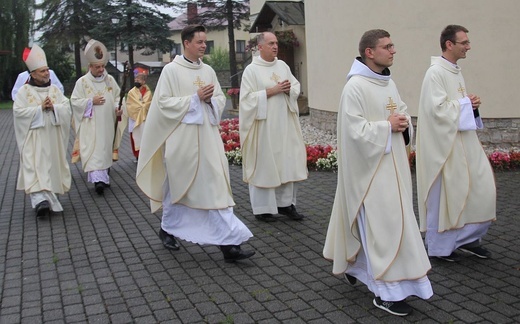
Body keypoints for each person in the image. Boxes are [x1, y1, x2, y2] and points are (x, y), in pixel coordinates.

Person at [323, 29, 433, 316]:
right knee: (381, 233)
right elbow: (353, 133)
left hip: (393, 170)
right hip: (369, 176)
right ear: (369, 52)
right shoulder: (355, 87)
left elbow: (402, 113)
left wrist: (403, 122)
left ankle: (355, 267)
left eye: (393, 45)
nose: (393, 51)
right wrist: (387, 126)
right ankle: (385, 293)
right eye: (387, 46)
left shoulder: (387, 83)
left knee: (386, 229)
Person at [135, 25, 255, 263]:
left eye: (204, 41)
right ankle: (168, 228)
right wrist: (194, 99)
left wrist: (210, 101)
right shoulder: (171, 71)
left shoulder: (208, 70)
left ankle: (229, 245)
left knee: (214, 189)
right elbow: (162, 105)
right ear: (186, 43)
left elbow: (220, 99)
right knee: (178, 189)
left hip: (208, 141)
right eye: (199, 42)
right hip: (182, 143)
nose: (203, 46)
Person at [416, 25, 496, 262]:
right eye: (464, 43)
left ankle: (469, 239)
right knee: (449, 197)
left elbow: (456, 104)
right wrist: (464, 105)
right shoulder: (435, 73)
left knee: (481, 191)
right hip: (445, 147)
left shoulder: (454, 71)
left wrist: (472, 104)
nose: (468, 47)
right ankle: (440, 246)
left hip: (464, 142)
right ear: (449, 44)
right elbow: (437, 111)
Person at [239, 31, 308, 223]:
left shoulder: (283, 65)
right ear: (260, 47)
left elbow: (295, 86)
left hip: (284, 124)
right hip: (264, 127)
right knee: (265, 166)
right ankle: (263, 209)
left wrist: (289, 90)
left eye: (276, 43)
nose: (275, 46)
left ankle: (286, 205)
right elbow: (246, 100)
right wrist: (271, 91)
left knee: (287, 162)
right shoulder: (251, 71)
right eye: (270, 43)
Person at [13, 44, 72, 217]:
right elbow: (18, 112)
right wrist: (39, 109)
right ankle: (40, 201)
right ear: (32, 74)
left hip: (52, 137)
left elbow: (66, 107)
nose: (46, 73)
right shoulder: (24, 92)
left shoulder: (53, 90)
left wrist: (54, 108)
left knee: (49, 166)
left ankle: (47, 197)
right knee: (35, 166)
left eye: (47, 70)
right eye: (42, 71)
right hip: (34, 138)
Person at [71, 39, 124, 195]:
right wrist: (90, 101)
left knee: (105, 149)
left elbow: (117, 97)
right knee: (94, 150)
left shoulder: (110, 80)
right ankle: (98, 181)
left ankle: (103, 178)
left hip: (107, 123)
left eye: (102, 66)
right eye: (97, 67)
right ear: (90, 67)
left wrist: (118, 108)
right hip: (91, 125)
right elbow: (74, 101)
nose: (101, 69)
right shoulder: (82, 82)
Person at [125, 73, 151, 162]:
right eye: (136, 80)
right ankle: (137, 156)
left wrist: (143, 107)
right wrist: (140, 107)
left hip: (144, 119)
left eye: (138, 80)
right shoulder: (131, 92)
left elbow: (149, 103)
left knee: (144, 137)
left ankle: (144, 155)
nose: (136, 81)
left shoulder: (148, 92)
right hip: (134, 119)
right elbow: (130, 104)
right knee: (135, 137)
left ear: (143, 81)